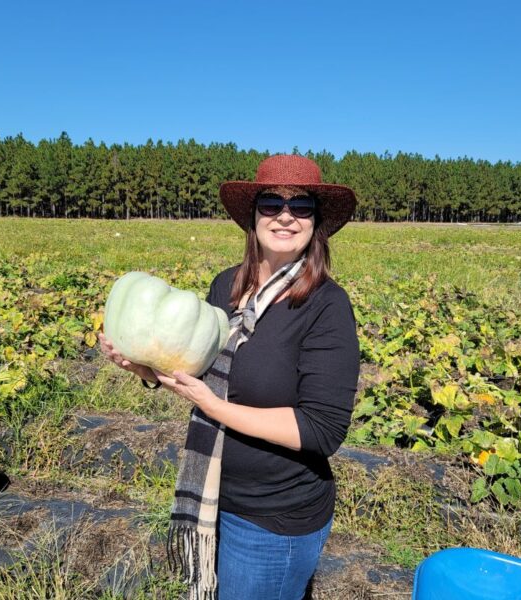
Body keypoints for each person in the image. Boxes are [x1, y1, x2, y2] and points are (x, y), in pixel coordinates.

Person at [99, 154, 360, 600]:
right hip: (214, 495)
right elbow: (201, 371)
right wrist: (145, 369)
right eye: (271, 202)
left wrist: (214, 407)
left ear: (316, 222)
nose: (284, 216)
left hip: (275, 518)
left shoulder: (326, 306)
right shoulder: (228, 286)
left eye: (301, 207)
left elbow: (321, 431)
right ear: (252, 215)